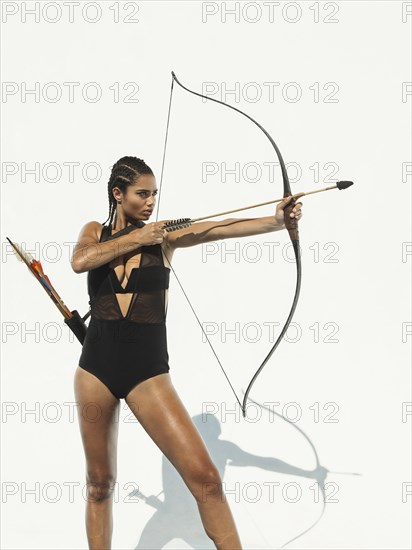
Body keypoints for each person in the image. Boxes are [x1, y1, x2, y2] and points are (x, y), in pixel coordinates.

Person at [71, 156, 303, 550]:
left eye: (154, 194)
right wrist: (137, 239)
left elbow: (216, 228)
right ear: (117, 194)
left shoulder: (164, 236)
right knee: (99, 484)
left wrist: (276, 221)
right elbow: (81, 261)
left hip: (146, 373)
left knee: (208, 482)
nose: (150, 203)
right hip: (95, 371)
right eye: (142, 194)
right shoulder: (95, 231)